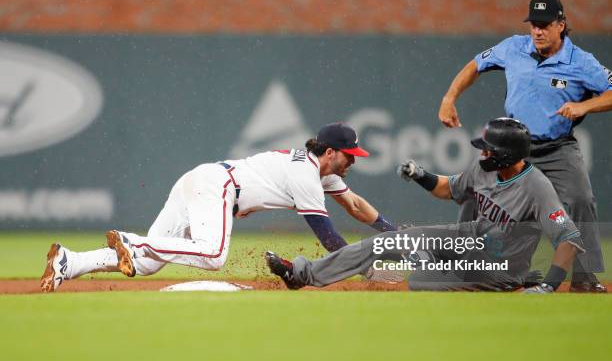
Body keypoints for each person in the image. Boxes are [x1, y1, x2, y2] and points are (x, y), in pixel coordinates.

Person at [40, 122, 397, 292]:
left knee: (146, 266)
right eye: (350, 155)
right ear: (331, 152)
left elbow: (355, 206)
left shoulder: (321, 172)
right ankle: (132, 242)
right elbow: (329, 238)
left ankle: (70, 261)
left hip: (203, 180)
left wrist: (395, 234)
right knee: (213, 255)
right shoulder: (306, 175)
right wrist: (367, 270)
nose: (354, 161)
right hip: (217, 187)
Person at [266, 118, 584, 293]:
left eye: (488, 150)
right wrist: (421, 175)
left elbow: (568, 239)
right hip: (470, 237)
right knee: (388, 240)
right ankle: (301, 274)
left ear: (507, 153)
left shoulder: (537, 187)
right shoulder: (485, 169)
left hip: (497, 264)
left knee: (421, 280)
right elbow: (448, 189)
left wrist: (550, 286)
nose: (482, 154)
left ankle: (516, 280)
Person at [437, 0, 612, 292]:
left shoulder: (581, 62)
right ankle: (467, 266)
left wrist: (585, 106)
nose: (538, 31)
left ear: (561, 25)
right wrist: (449, 98)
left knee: (581, 199)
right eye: (534, 24)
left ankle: (584, 279)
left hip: (557, 147)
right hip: (513, 146)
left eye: (544, 25)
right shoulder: (514, 47)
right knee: (471, 192)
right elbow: (475, 65)